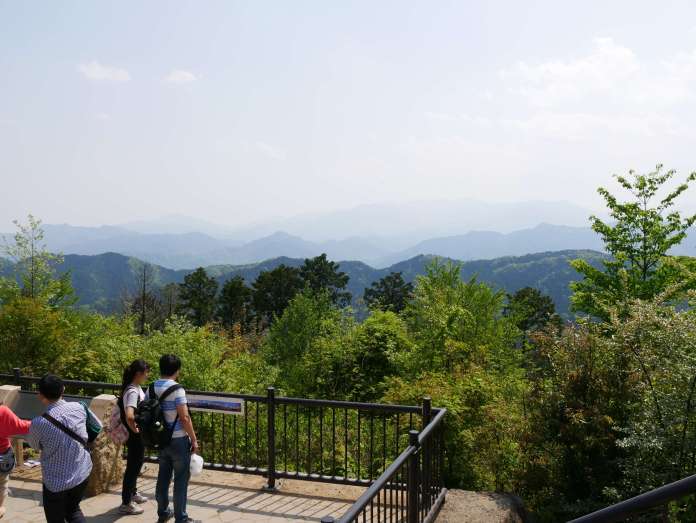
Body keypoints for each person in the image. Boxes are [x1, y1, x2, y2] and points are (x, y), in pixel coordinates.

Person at [26, 374, 102, 523]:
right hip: (81, 473)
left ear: (40, 395)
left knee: (56, 518)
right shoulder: (79, 407)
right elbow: (98, 425)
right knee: (73, 510)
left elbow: (33, 445)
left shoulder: (38, 423)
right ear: (63, 389)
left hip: (56, 483)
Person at [151, 354, 199, 523]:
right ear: (177, 370)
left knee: (163, 477)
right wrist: (193, 439)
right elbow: (184, 417)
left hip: (161, 439)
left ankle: (163, 513)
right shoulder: (177, 389)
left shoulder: (151, 387)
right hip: (178, 439)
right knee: (180, 480)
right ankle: (181, 518)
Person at [118, 359, 150, 515]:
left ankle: (133, 493)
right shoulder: (132, 391)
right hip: (134, 436)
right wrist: (136, 431)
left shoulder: (135, 387)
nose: (147, 375)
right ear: (138, 374)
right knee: (133, 467)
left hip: (136, 435)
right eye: (146, 373)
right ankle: (126, 502)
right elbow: (130, 416)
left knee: (136, 464)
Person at [0, 405, 31, 519]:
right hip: (2, 456)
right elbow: (22, 427)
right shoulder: (2, 411)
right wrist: (40, 423)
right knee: (2, 483)